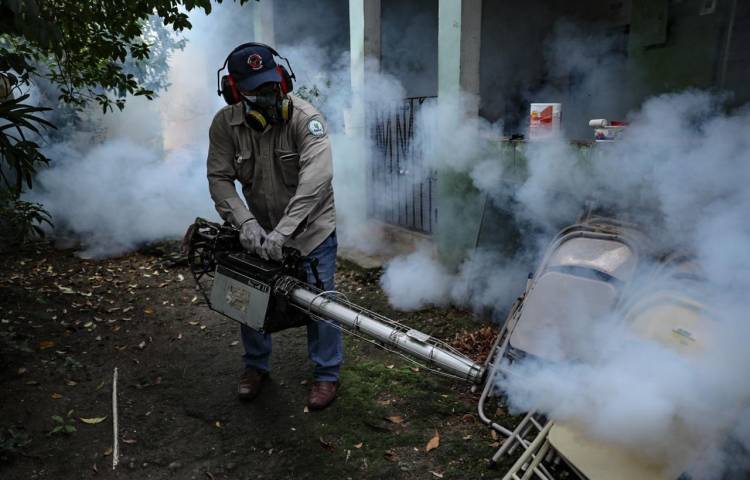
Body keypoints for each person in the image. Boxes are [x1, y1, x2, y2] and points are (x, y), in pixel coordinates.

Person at [206, 43, 341, 410]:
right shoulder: (225, 125)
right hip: (258, 232)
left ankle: (326, 375)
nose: (268, 96)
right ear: (234, 91)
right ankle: (255, 367)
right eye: (255, 89)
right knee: (246, 296)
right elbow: (219, 178)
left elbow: (318, 178)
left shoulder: (305, 118)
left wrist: (285, 232)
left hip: (311, 232)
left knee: (320, 304)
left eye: (272, 85)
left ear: (282, 79)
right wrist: (246, 223)